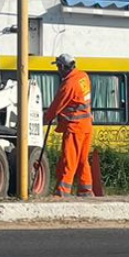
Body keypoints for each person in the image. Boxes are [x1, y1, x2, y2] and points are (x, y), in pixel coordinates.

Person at [44, 53, 95, 197]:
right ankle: (86, 190)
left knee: (69, 160)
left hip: (75, 127)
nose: (58, 70)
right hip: (86, 126)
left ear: (62, 67)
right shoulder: (83, 76)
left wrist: (45, 118)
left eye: (58, 67)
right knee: (82, 160)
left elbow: (56, 106)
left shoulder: (69, 84)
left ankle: (63, 191)